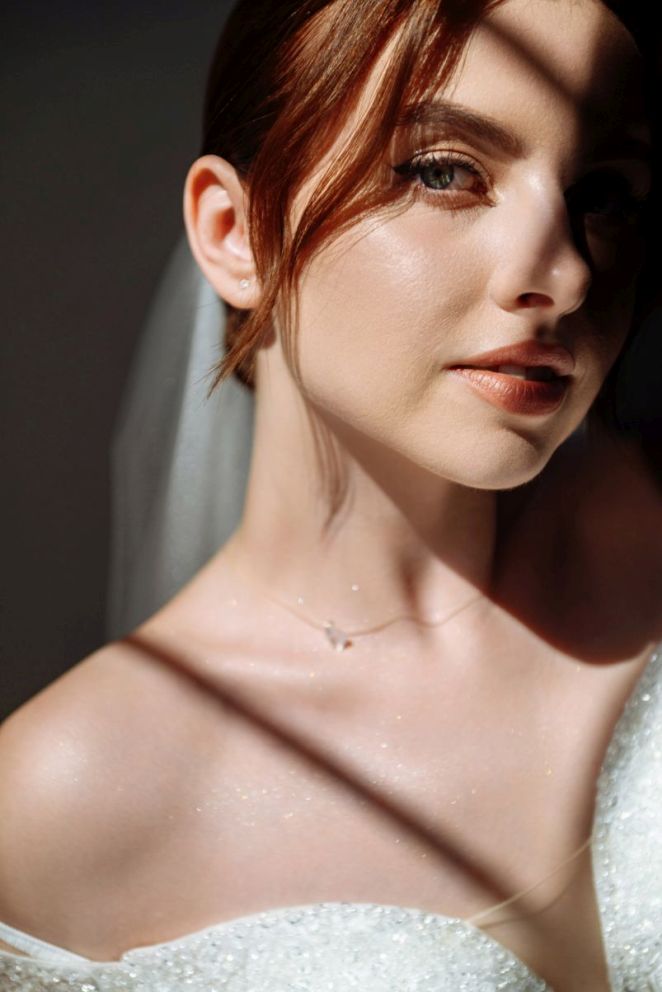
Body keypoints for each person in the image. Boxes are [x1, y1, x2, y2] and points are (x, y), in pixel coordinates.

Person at [0, 1, 660, 989]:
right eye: (443, 171)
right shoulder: (61, 798)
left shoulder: (639, 527)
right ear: (235, 233)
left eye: (601, 193)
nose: (562, 273)